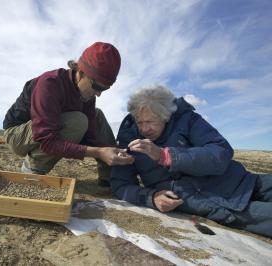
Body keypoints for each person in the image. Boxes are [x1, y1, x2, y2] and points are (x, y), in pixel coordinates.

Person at [111, 85, 272, 237]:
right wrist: (151, 198)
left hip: (244, 180)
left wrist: (165, 156)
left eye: (151, 122)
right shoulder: (129, 138)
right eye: (140, 122)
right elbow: (121, 184)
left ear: (165, 117)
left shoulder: (186, 119)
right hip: (218, 204)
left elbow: (221, 152)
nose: (144, 129)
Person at [3, 42, 134, 186]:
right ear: (81, 71)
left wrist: (110, 151)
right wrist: (98, 152)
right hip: (17, 135)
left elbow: (91, 136)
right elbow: (47, 140)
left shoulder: (87, 96)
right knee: (78, 120)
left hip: (45, 133)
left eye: (105, 89)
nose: (98, 94)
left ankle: (111, 176)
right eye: (97, 87)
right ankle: (33, 169)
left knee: (97, 116)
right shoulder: (50, 83)